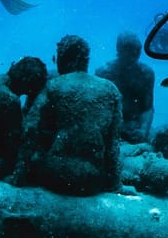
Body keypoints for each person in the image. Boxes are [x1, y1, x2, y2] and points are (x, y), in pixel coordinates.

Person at [13, 35, 123, 196]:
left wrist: (19, 176)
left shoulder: (54, 85)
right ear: (86, 58)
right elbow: (113, 144)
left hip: (57, 174)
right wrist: (114, 185)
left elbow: (30, 129)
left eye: (58, 57)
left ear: (64, 58)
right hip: (93, 179)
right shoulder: (110, 89)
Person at [95, 31, 155, 144]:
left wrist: (143, 131)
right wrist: (119, 129)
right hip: (110, 130)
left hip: (136, 128)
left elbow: (148, 108)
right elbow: (100, 110)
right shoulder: (104, 74)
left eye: (137, 50)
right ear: (119, 50)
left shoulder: (146, 74)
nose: (134, 54)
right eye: (129, 49)